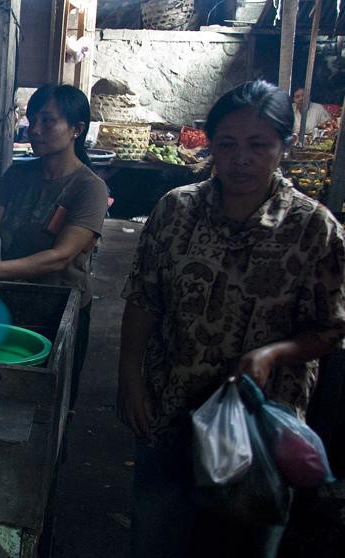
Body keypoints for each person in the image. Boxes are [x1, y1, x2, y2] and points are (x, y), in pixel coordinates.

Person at [117, 80, 345, 558]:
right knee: (157, 535)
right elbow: (143, 299)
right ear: (212, 145)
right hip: (170, 408)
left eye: (258, 145)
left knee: (240, 543)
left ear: (283, 147)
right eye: (227, 144)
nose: (241, 158)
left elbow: (331, 327)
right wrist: (131, 382)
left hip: (259, 429)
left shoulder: (313, 228)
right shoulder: (176, 210)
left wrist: (272, 354)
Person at [0, 84, 107, 410]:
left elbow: (60, 257)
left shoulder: (89, 188)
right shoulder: (18, 175)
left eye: (48, 121)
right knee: (7, 394)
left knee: (52, 405)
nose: (35, 129)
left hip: (61, 308)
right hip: (15, 300)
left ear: (77, 129)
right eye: (32, 120)